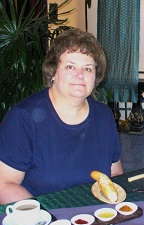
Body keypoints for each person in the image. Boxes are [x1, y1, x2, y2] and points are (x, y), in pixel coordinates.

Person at [0, 28, 123, 204]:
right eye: (70, 66)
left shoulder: (103, 116)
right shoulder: (22, 118)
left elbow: (115, 174)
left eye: (87, 68)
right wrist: (48, 219)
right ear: (53, 73)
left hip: (95, 218)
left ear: (95, 77)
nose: (80, 75)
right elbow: (4, 185)